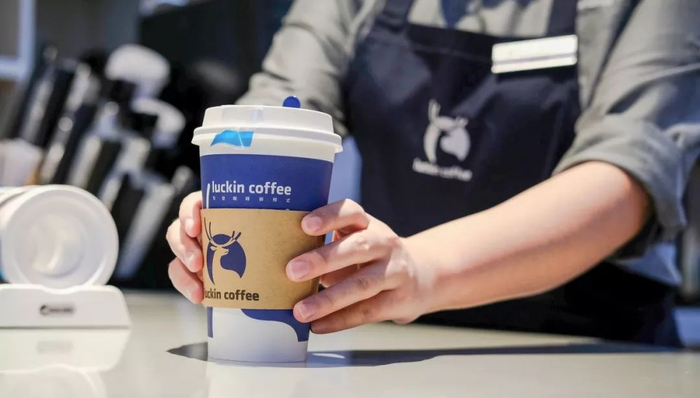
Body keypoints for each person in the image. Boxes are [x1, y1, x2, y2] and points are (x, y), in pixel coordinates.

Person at [166, 0, 700, 346]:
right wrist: (234, 196)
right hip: (404, 344)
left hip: (588, 343)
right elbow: (280, 113)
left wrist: (422, 270)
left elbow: (629, 176)